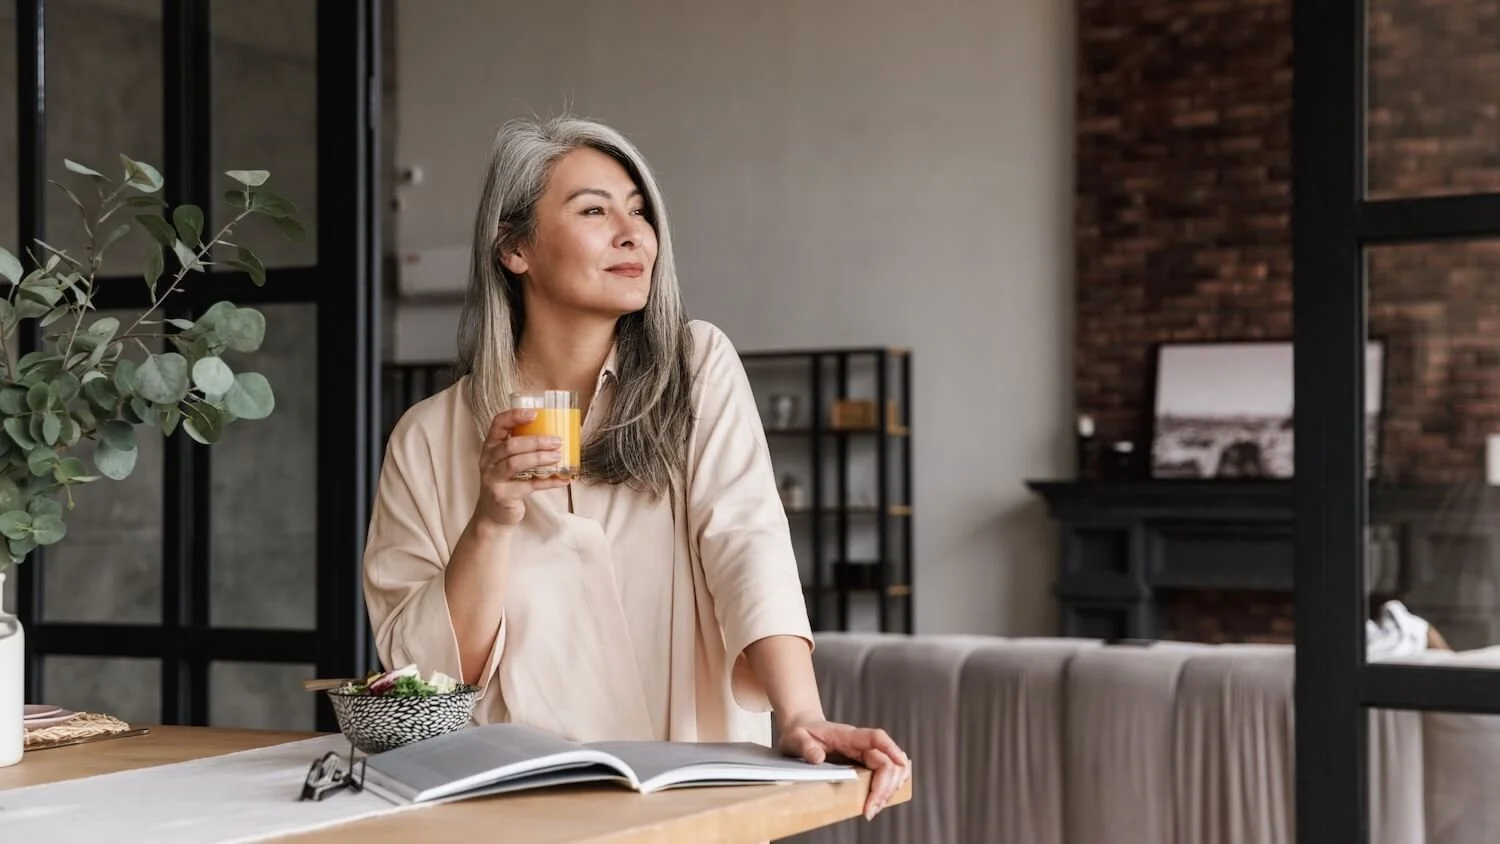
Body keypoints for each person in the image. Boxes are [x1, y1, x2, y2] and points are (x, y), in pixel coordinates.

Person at [362, 115, 910, 819]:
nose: (634, 233)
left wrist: (799, 714)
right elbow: (427, 684)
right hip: (511, 808)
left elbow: (747, 542)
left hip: (686, 794)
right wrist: (493, 520)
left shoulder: (696, 366)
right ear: (515, 247)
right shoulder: (426, 436)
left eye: (640, 210)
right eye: (594, 209)